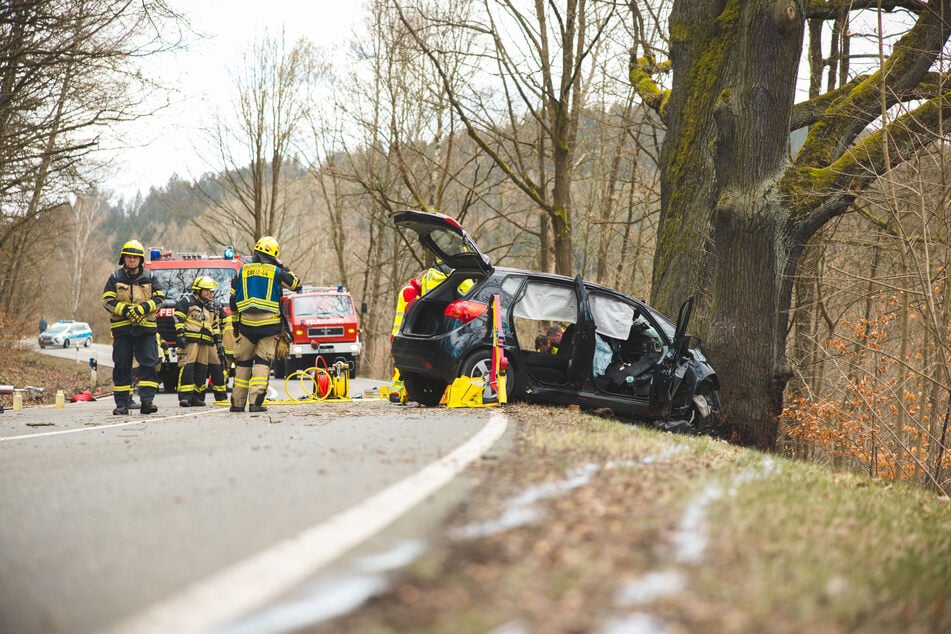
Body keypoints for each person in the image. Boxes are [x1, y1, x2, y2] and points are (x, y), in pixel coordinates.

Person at [229, 236, 301, 413]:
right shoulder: (276, 272)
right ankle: (255, 403)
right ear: (274, 256)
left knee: (243, 364)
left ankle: (237, 404)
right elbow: (296, 284)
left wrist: (236, 325)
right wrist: (283, 266)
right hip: (269, 327)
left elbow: (233, 301)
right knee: (262, 363)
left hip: (246, 326)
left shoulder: (242, 271)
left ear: (256, 252)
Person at [101, 239, 165, 415]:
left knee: (149, 364)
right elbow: (107, 301)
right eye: (128, 257)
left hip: (146, 329)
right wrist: (126, 310)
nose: (132, 260)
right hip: (122, 330)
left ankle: (147, 401)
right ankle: (122, 404)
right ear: (123, 258)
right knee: (122, 366)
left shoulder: (150, 277)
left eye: (135, 257)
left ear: (140, 260)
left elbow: (160, 299)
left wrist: (143, 308)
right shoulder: (115, 278)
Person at [174, 276, 219, 407]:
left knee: (202, 370)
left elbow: (214, 324)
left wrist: (218, 340)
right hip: (190, 341)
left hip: (205, 342)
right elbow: (178, 318)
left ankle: (198, 397)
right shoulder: (187, 301)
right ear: (198, 290)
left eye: (211, 291)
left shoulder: (209, 306)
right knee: (187, 367)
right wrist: (180, 334)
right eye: (207, 291)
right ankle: (185, 397)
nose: (210, 294)